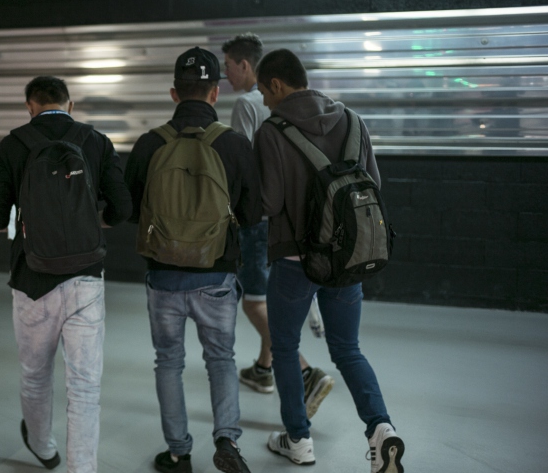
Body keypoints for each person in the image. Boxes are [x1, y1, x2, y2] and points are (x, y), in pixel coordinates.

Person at [254, 49, 404, 472]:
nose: (264, 100)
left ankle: (298, 440)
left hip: (293, 262)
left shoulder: (271, 131)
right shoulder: (353, 120)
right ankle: (381, 431)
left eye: (264, 91)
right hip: (347, 260)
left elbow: (269, 201)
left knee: (284, 348)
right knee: (348, 349)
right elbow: (373, 183)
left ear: (278, 85)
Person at [0, 76, 132, 473]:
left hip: (31, 280)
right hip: (86, 279)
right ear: (70, 105)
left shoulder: (13, 144)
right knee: (84, 387)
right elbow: (122, 209)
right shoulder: (96, 141)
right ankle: (81, 468)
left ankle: (42, 447)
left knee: (35, 375)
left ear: (29, 106)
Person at [125, 47, 260, 473]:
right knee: (221, 359)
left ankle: (179, 452)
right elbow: (254, 214)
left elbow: (129, 209)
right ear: (216, 93)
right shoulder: (235, 145)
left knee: (169, 361)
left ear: (172, 93)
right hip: (217, 274)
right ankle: (227, 441)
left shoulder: (149, 144)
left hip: (163, 276)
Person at [221, 33, 334, 418]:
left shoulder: (246, 106)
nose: (225, 75)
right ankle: (265, 369)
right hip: (294, 219)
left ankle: (305, 371)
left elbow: (244, 168)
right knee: (269, 296)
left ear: (245, 66)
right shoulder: (303, 108)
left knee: (254, 303)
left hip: (259, 219)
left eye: (228, 67)